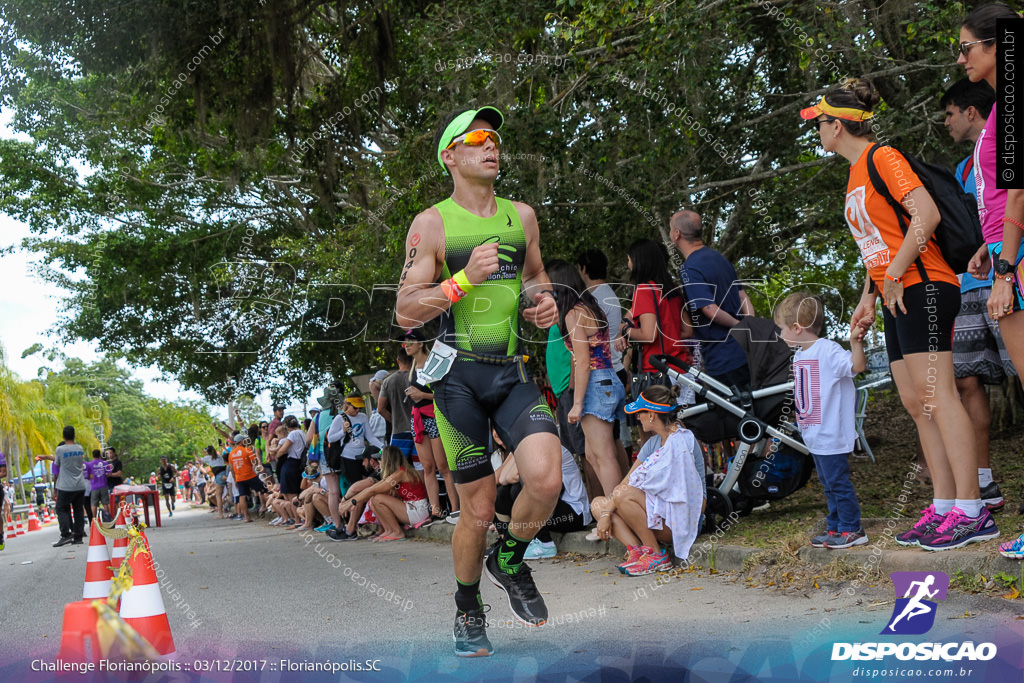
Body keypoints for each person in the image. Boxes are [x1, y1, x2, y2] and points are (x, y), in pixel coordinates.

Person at [801, 77, 998, 550]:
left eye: (820, 124)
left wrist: (895, 274)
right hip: (894, 293)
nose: (817, 132)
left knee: (939, 395)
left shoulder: (882, 158)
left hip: (926, 285)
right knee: (917, 403)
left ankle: (974, 509)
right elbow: (880, 242)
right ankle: (945, 505)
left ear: (840, 125)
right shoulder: (853, 175)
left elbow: (925, 215)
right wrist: (869, 294)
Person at [395, 105, 562, 656]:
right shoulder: (433, 223)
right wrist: (463, 280)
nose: (492, 145)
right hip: (458, 381)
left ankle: (508, 558)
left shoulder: (522, 215)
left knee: (545, 480)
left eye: (495, 138)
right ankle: (468, 610)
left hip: (511, 373)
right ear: (451, 155)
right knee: (479, 509)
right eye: (478, 138)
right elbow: (405, 310)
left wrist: (543, 304)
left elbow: (538, 277)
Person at [955, 4, 1024, 557]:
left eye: (967, 47)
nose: (961, 57)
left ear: (997, 45)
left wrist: (1005, 268)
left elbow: (1021, 192)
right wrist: (988, 245)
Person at [941, 77, 1011, 513]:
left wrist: (1004, 266)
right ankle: (983, 482)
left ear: (970, 111)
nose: (945, 122)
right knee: (966, 380)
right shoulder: (963, 169)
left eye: (949, 113)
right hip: (968, 286)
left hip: (1009, 275)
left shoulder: (1003, 145)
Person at [774, 292, 869, 549]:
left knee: (837, 482)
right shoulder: (799, 356)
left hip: (831, 433)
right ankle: (836, 526)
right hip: (814, 434)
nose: (780, 334)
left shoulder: (827, 350)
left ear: (796, 327)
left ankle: (852, 528)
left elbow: (856, 367)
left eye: (782, 328)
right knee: (828, 484)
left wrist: (855, 343)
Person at [590, 385, 704, 576]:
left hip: (681, 521)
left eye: (640, 413)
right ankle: (640, 552)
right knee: (597, 504)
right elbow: (627, 481)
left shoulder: (682, 442)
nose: (637, 417)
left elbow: (688, 499)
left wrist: (609, 512)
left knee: (621, 495)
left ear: (651, 414)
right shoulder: (653, 443)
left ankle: (658, 556)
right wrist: (604, 514)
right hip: (658, 514)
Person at [546, 259, 626, 496]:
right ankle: (611, 513)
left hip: (596, 385)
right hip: (608, 379)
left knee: (604, 455)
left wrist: (577, 404)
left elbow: (583, 361)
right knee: (593, 455)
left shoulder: (573, 314)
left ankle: (618, 513)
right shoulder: (591, 307)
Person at [615, 238, 693, 445]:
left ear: (639, 261)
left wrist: (624, 330)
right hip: (681, 370)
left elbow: (649, 335)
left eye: (629, 259)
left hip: (655, 371)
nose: (628, 264)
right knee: (683, 433)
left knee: (652, 438)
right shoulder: (672, 291)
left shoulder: (644, 289)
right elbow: (687, 331)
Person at [670, 210, 754, 387]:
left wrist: (739, 327)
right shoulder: (719, 258)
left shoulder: (690, 268)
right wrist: (749, 324)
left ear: (677, 234)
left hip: (722, 356)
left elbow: (710, 310)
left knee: (732, 410)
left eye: (671, 229)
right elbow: (742, 295)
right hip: (745, 352)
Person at [491, 430, 591, 560]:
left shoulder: (546, 446)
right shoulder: (521, 448)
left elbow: (512, 476)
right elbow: (500, 478)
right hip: (553, 513)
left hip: (573, 515)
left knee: (523, 488)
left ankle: (544, 543)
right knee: (498, 492)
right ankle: (507, 542)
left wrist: (506, 477)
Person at [577, 248, 631, 472]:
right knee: (614, 440)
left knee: (604, 448)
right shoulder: (608, 293)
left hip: (602, 371)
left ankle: (618, 497)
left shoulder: (594, 298)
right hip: (615, 368)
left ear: (584, 269)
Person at [400, 329, 459, 524]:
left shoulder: (434, 362)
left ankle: (456, 509)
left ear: (421, 343)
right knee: (427, 467)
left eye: (410, 341)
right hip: (417, 418)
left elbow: (446, 393)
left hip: (435, 415)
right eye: (404, 342)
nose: (406, 345)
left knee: (443, 466)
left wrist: (422, 395)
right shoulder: (411, 368)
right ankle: (435, 510)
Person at [348, 445, 429, 541]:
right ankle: (389, 530)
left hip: (418, 510)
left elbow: (372, 490)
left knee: (377, 498)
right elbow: (373, 488)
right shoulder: (397, 472)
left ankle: (397, 532)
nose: (378, 462)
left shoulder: (400, 473)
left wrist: (349, 503)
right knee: (374, 499)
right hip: (412, 508)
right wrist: (349, 501)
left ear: (387, 460)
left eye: (380, 459)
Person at [39, 426, 88, 547]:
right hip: (80, 485)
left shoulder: (60, 450)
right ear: (74, 435)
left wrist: (45, 457)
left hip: (66, 485)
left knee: (61, 508)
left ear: (63, 436)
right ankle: (78, 536)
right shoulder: (80, 448)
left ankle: (66, 534)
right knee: (78, 511)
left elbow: (58, 463)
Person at [378, 348, 416, 463]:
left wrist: (393, 420)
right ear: (412, 358)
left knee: (396, 467)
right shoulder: (418, 378)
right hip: (419, 429)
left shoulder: (388, 381)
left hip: (399, 430)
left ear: (398, 360)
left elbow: (380, 409)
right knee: (422, 466)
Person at [84, 449, 111, 521]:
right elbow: (109, 473)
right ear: (100, 455)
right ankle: (107, 517)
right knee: (105, 502)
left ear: (92, 455)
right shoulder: (104, 463)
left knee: (94, 503)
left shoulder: (89, 464)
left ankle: (94, 519)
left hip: (94, 487)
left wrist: (91, 478)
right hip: (104, 485)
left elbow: (87, 475)